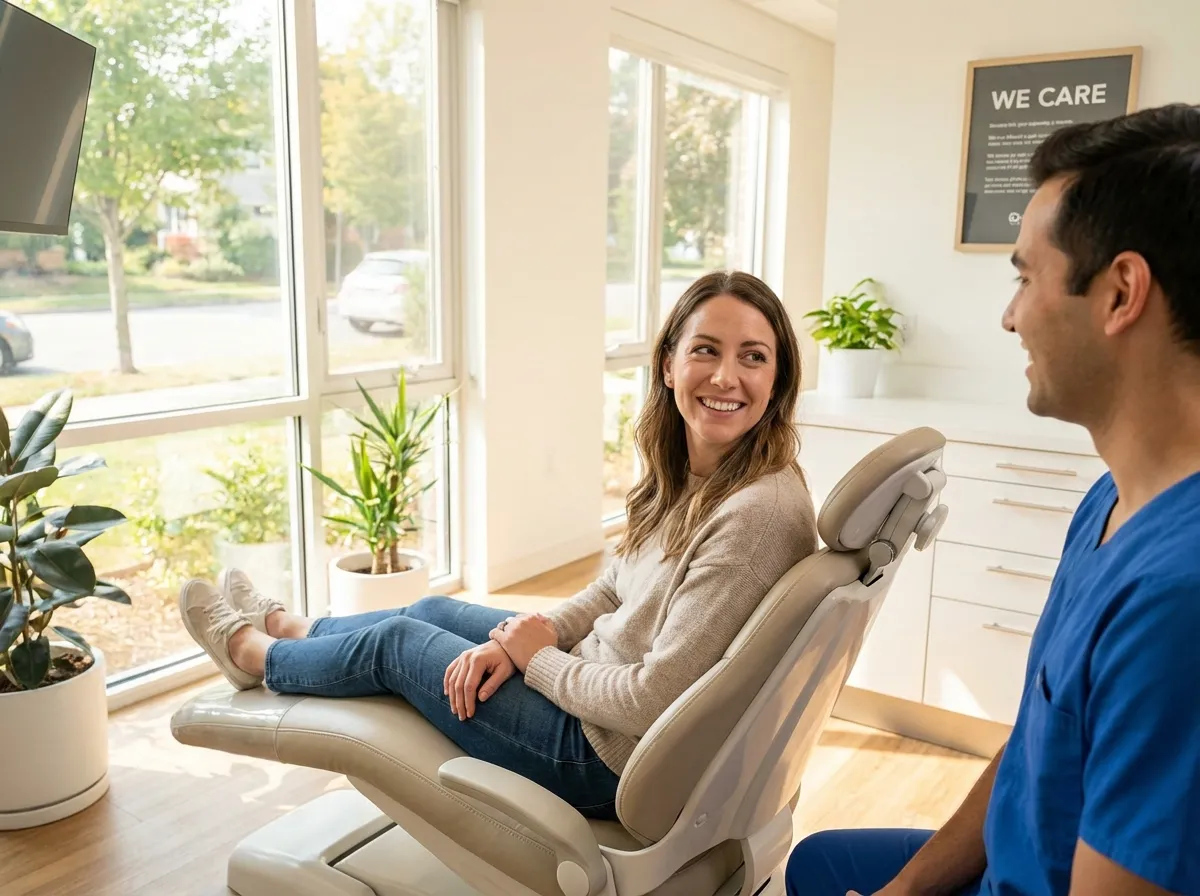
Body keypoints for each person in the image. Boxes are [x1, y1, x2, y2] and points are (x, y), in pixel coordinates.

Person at [178, 270, 818, 821]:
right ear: (669, 364)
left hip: (600, 755)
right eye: (706, 349)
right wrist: (527, 638)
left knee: (397, 647)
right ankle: (296, 628)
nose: (726, 376)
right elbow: (615, 588)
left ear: (778, 375)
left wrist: (535, 659)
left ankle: (259, 656)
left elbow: (652, 702)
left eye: (753, 356)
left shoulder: (754, 514)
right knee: (428, 613)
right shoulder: (703, 472)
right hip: (592, 683)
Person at [785, 103, 1200, 896]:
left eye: (1024, 277)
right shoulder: (1109, 504)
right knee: (817, 862)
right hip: (1009, 861)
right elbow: (1036, 748)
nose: (1010, 317)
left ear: (1121, 295)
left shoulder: (1178, 605)